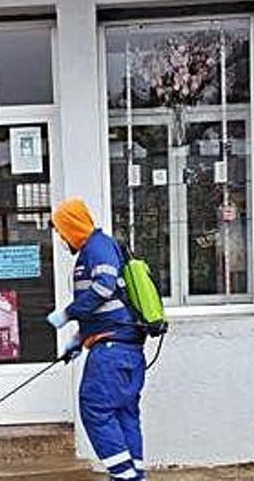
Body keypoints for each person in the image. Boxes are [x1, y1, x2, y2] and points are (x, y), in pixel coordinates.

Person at [46, 197, 147, 481]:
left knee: (95, 407)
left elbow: (104, 288)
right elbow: (107, 308)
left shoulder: (97, 247)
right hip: (121, 345)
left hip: (113, 350)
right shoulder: (94, 248)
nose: (61, 238)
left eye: (61, 231)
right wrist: (79, 340)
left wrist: (67, 313)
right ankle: (133, 474)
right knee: (124, 412)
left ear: (72, 226)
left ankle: (124, 475)